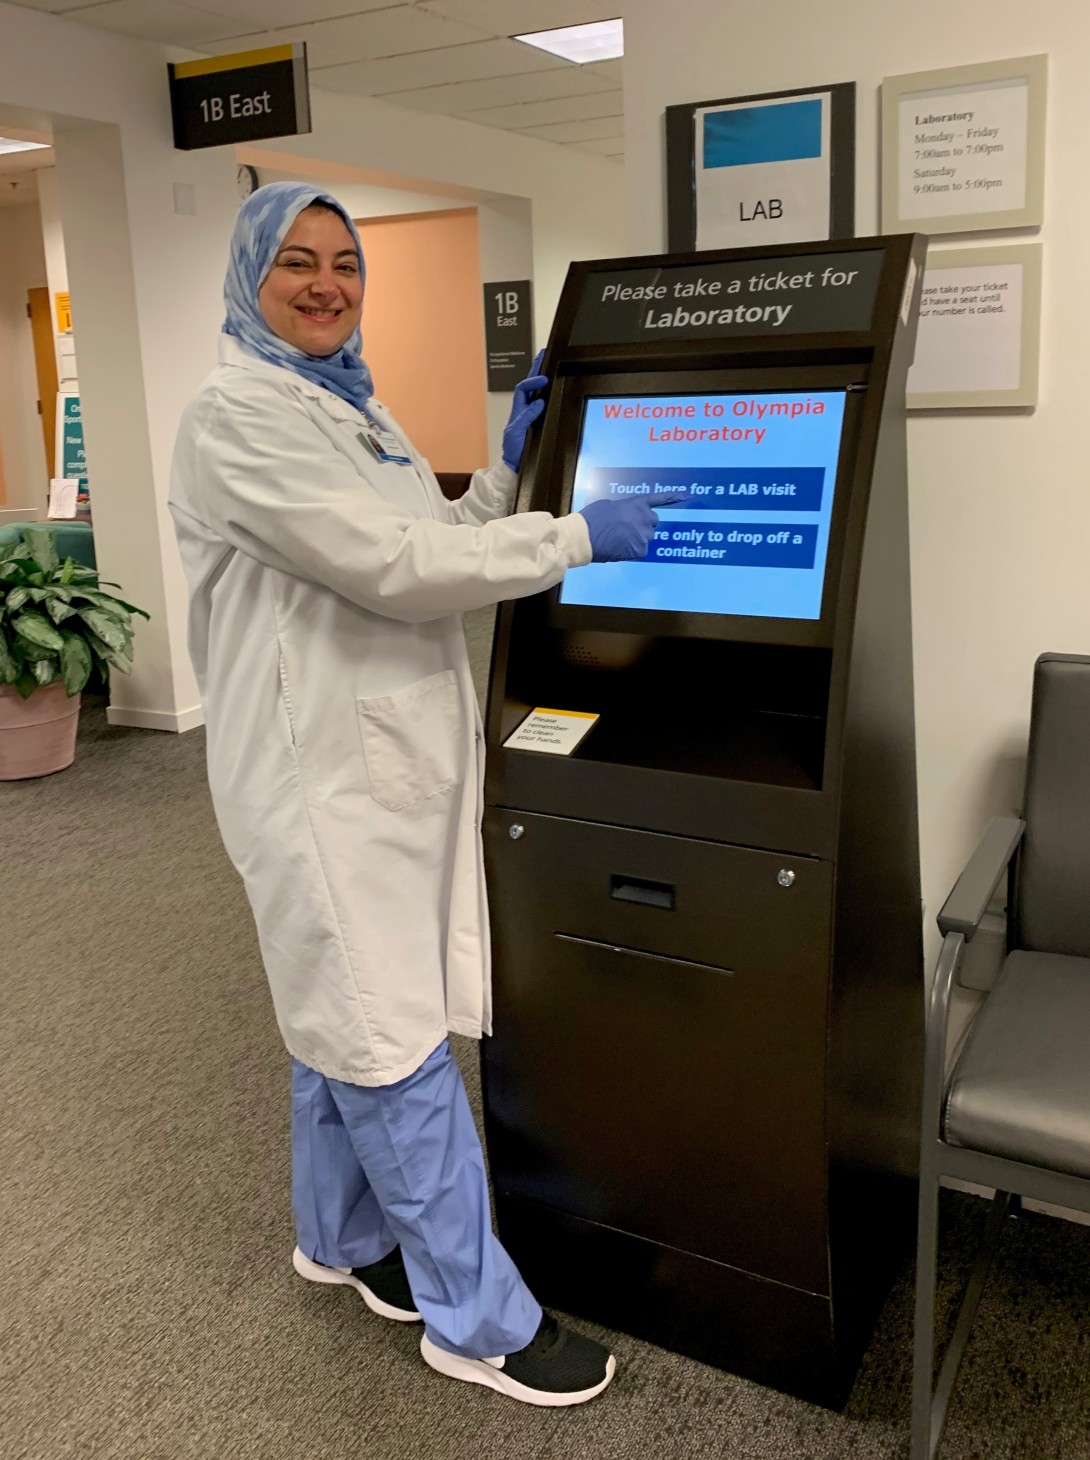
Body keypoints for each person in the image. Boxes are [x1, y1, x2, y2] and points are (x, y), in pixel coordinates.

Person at [168, 182, 668, 1407]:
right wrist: (574, 536)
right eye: (298, 263)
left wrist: (503, 480)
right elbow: (391, 569)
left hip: (383, 768)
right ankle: (475, 1316)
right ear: (250, 279)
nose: (328, 283)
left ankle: (338, 1237)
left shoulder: (352, 405)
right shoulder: (237, 418)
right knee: (387, 1039)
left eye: (345, 261)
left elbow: (432, 532)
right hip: (317, 782)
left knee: (336, 1013)